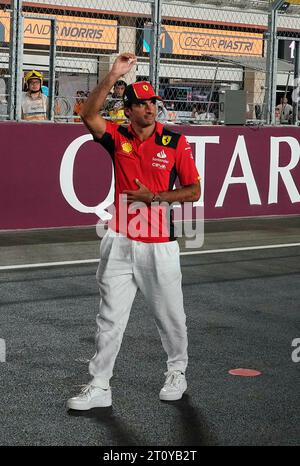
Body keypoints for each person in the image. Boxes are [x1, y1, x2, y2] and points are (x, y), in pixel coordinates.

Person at [67, 53, 201, 411]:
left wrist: (154, 196)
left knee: (170, 315)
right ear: (127, 110)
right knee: (109, 315)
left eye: (153, 103)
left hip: (160, 244)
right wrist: (112, 74)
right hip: (119, 240)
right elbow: (87, 115)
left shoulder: (175, 142)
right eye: (141, 104)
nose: (149, 108)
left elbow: (193, 191)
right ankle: (100, 384)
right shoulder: (116, 136)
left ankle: (177, 372)